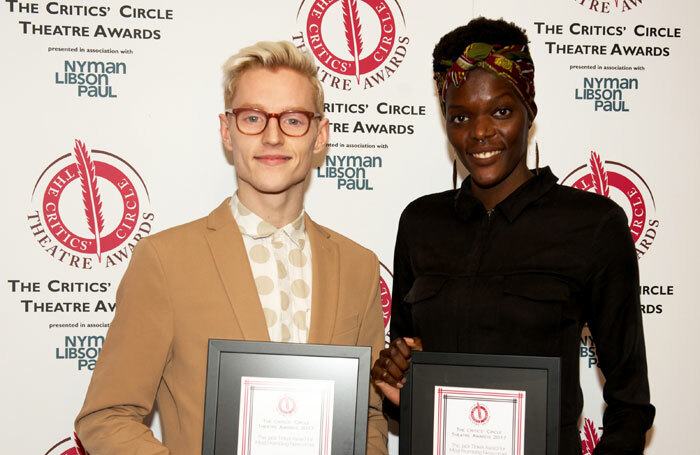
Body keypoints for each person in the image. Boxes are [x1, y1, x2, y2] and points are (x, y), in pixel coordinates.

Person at [75, 41, 388, 455]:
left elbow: (366, 417)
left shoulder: (358, 266)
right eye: (253, 117)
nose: (273, 136)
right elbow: (107, 416)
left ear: (319, 135)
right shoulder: (165, 261)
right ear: (227, 131)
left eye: (293, 119)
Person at [370, 17, 654, 455]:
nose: (480, 133)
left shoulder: (592, 225)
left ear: (530, 110)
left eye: (501, 111)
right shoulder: (420, 223)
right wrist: (395, 378)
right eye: (460, 116)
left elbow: (630, 403)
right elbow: (405, 394)